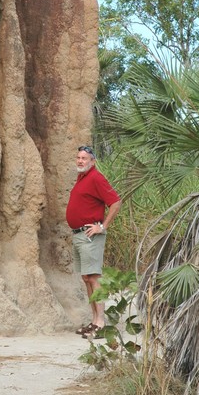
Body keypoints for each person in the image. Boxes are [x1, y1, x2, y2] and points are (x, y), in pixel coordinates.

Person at [66, 145, 121, 339]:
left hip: (90, 236)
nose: (80, 161)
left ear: (93, 161)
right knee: (87, 278)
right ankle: (94, 320)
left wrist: (102, 226)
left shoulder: (96, 177)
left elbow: (115, 201)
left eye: (85, 158)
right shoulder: (82, 178)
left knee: (94, 278)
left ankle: (101, 323)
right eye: (78, 157)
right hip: (79, 235)